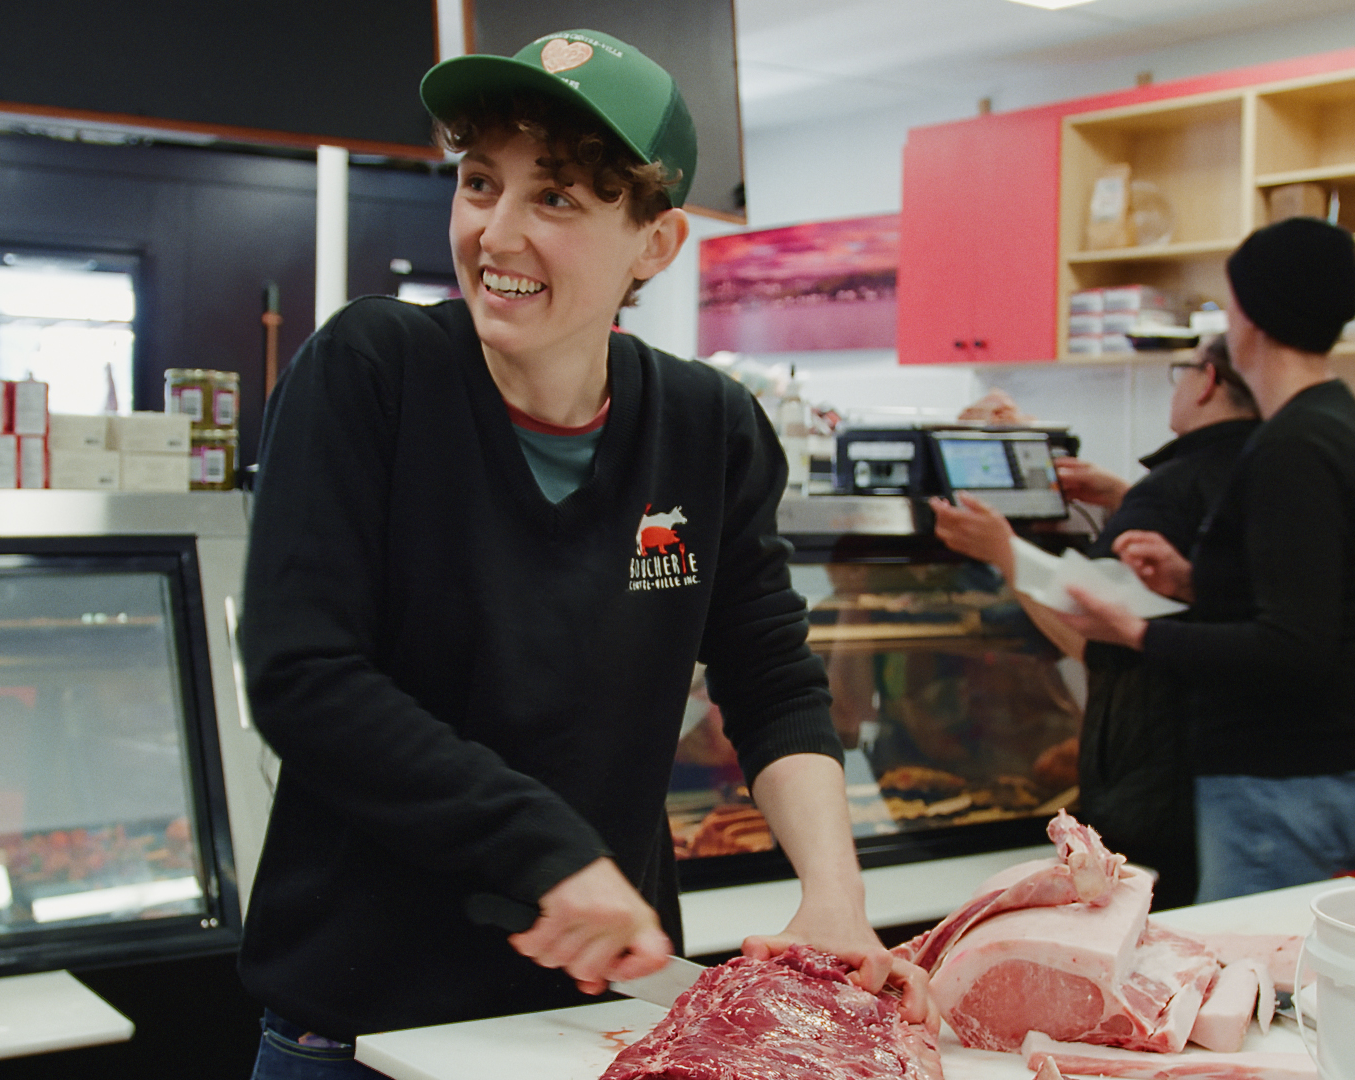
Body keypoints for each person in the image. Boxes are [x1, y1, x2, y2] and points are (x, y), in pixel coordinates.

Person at [236, 29, 926, 1077]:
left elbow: (770, 677)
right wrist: (546, 850)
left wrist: (834, 899)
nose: (495, 232)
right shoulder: (373, 370)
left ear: (656, 243)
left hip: (599, 1019)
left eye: (554, 198)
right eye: (480, 183)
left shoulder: (707, 427)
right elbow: (305, 676)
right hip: (363, 1026)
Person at [1060, 217, 1355, 903]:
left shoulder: (1295, 447)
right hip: (1312, 777)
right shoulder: (1330, 423)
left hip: (1281, 781)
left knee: (1253, 969)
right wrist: (1191, 580)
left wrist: (1136, 631)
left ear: (1251, 318)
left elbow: (1293, 647)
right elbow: (1304, 592)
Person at [928, 336, 1260, 907]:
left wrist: (1005, 553)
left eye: (1181, 370)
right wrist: (1121, 496)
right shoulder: (1262, 470)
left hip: (1158, 781)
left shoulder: (1176, 485)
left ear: (1206, 381)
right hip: (1225, 769)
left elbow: (1095, 635)